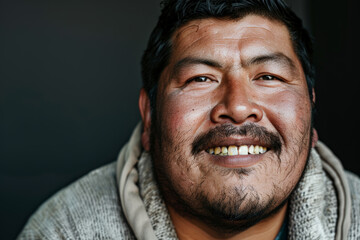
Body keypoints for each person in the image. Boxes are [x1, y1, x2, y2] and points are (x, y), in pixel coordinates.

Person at [17, 0, 360, 239]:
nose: (238, 107)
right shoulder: (63, 229)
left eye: (268, 77)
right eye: (200, 79)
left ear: (312, 109)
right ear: (149, 115)